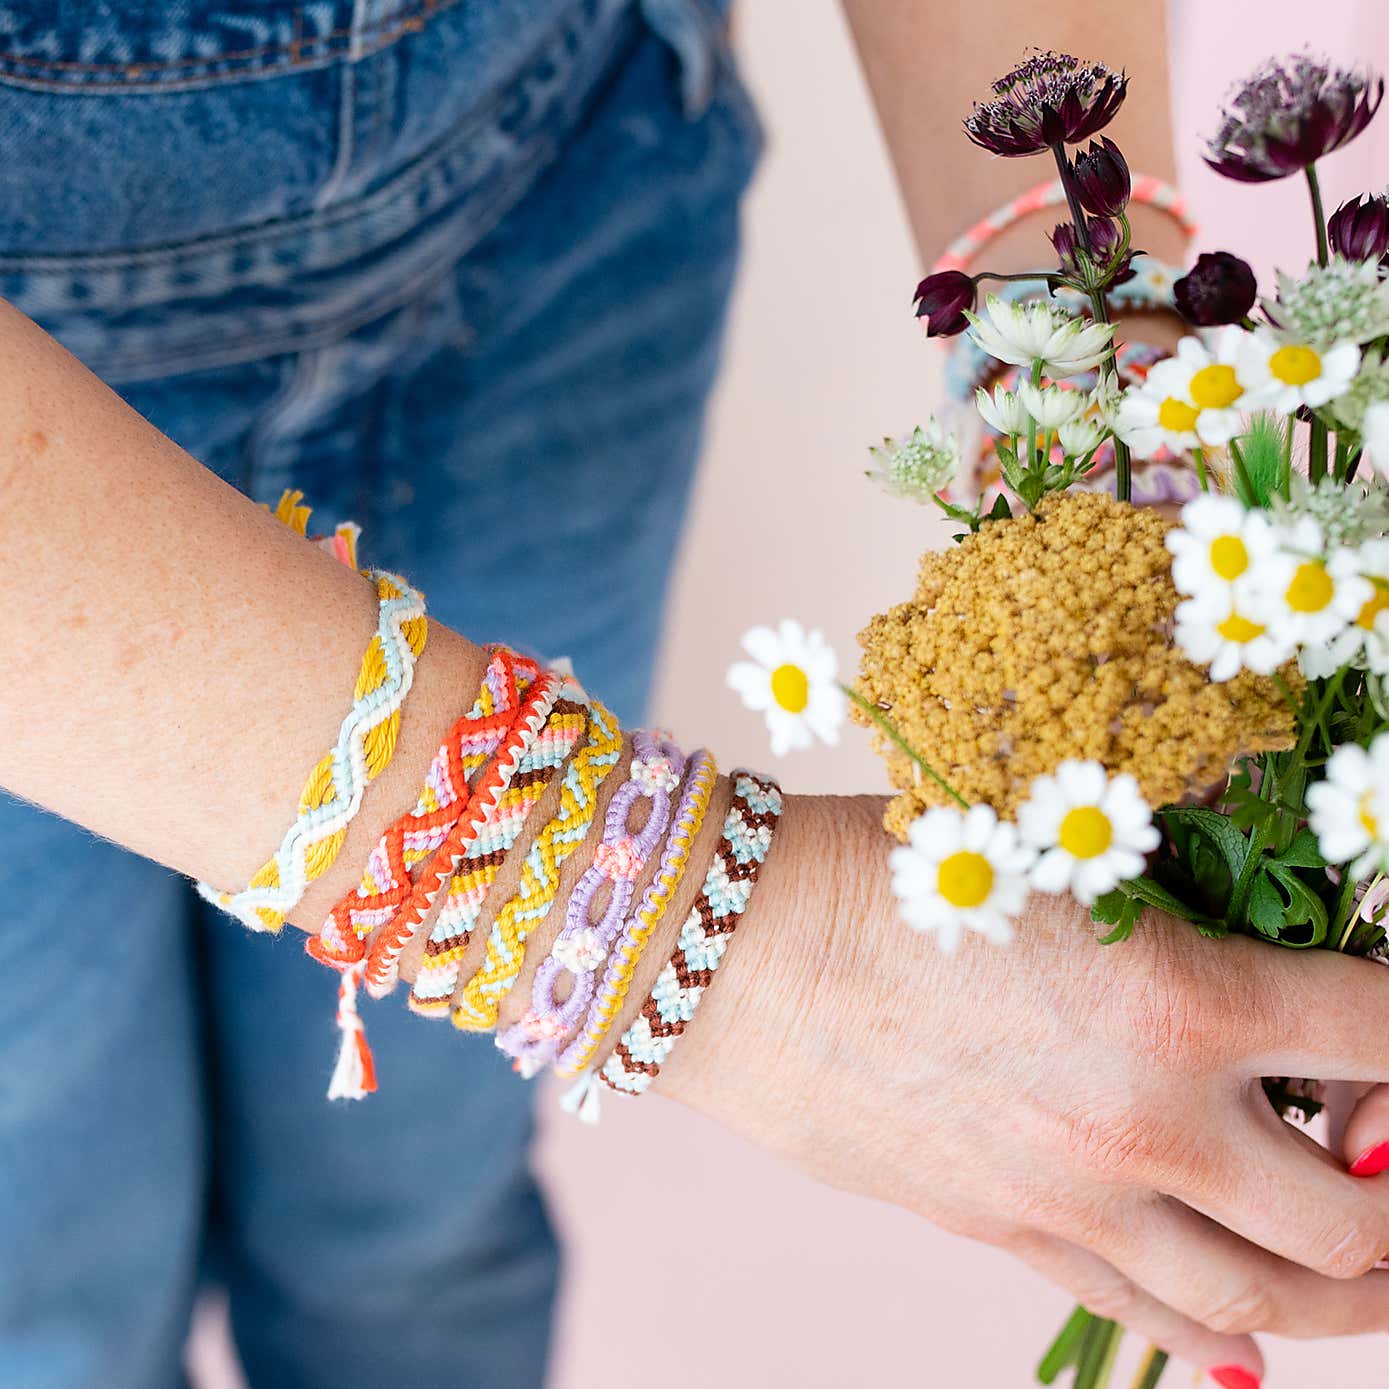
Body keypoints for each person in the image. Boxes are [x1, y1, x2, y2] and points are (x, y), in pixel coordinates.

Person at [1, 3, 1388, 1388]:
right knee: (47, 1266)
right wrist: (703, 936)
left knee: (417, 1209)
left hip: (548, 218)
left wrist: (1109, 453)